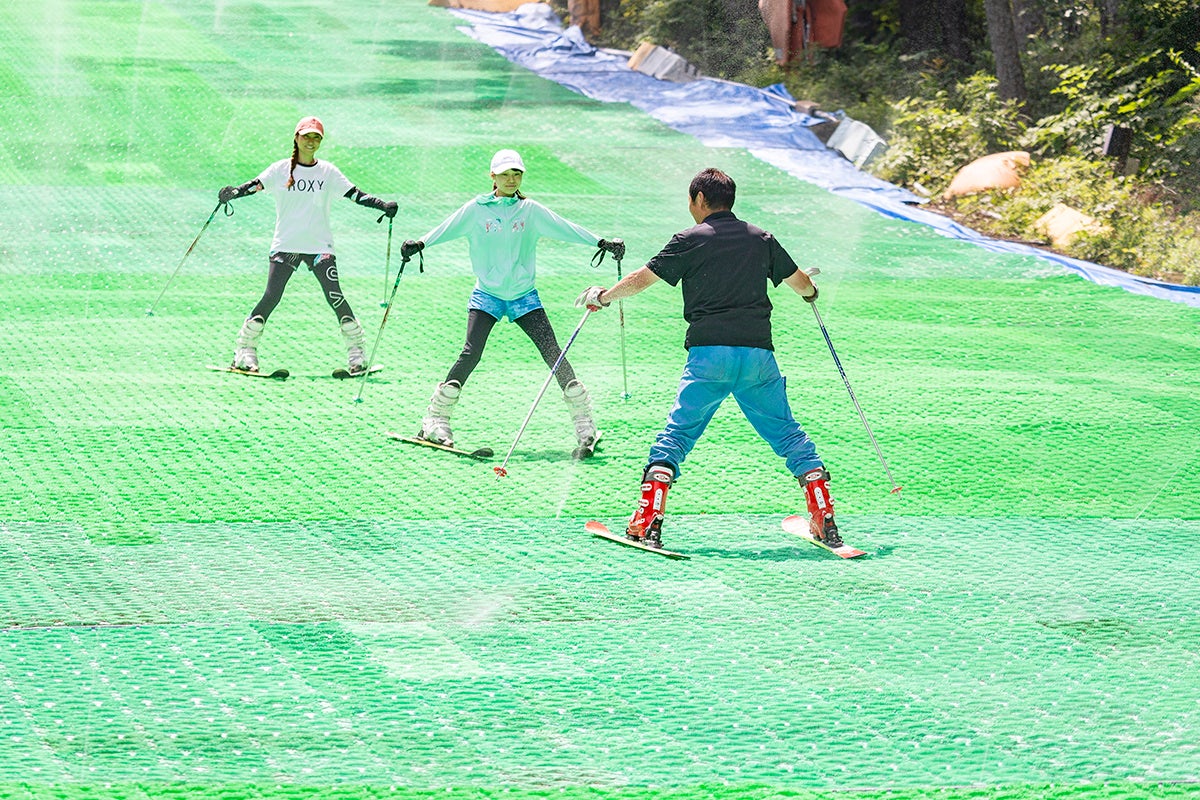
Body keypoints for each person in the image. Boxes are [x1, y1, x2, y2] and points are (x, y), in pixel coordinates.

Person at [575, 167, 841, 549]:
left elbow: (640, 279)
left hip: (708, 357)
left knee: (677, 436)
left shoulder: (689, 239)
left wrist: (602, 297)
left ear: (699, 200)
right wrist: (812, 293)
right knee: (789, 436)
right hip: (757, 357)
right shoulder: (761, 238)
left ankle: (646, 523)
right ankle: (825, 522)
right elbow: (801, 283)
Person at [400, 149, 623, 453]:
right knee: (471, 353)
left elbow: (564, 226)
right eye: (505, 174)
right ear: (492, 176)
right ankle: (434, 420)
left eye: (516, 174)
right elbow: (447, 227)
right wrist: (421, 243)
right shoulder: (476, 209)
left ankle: (585, 425)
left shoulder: (530, 210)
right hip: (487, 295)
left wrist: (602, 242)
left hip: (523, 296)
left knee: (553, 353)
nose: (511, 179)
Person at [217, 116, 397, 375]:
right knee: (271, 297)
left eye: (316, 137)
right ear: (296, 138)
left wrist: (382, 205)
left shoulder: (328, 171)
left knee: (336, 297)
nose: (311, 141)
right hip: (286, 244)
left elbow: (356, 194)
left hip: (319, 246)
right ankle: (244, 353)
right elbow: (254, 186)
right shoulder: (280, 169)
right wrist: (233, 192)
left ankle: (357, 356)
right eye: (307, 136)